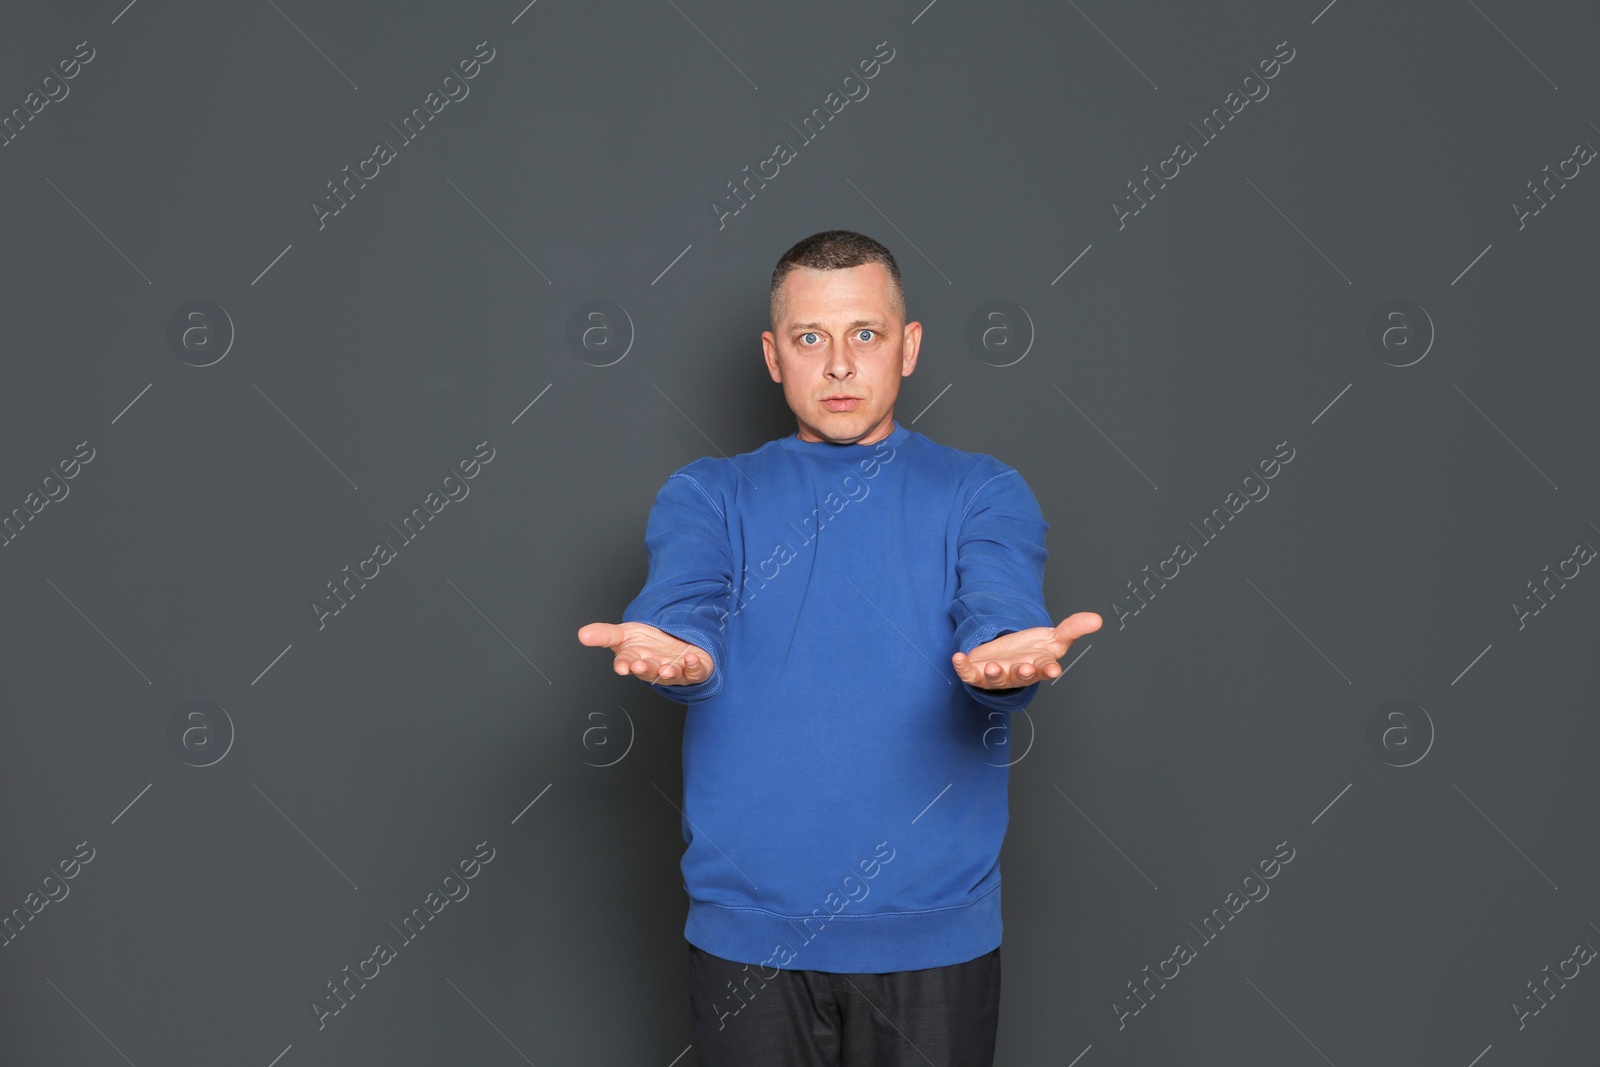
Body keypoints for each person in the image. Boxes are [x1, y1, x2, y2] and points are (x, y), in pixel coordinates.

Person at [578, 230, 1101, 1066]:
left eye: (866, 333)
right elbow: (682, 608)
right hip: (748, 940)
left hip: (935, 941)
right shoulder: (710, 493)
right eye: (810, 338)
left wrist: (1004, 662)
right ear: (773, 356)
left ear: (911, 345)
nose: (839, 364)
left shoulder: (981, 489)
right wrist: (678, 654)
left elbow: (998, 611)